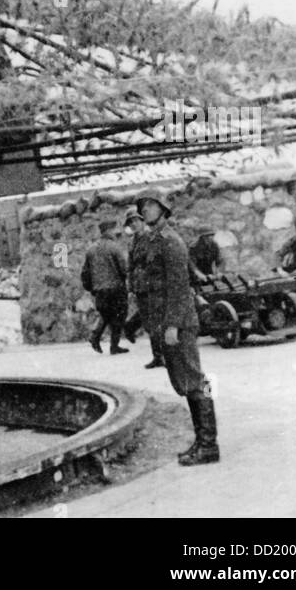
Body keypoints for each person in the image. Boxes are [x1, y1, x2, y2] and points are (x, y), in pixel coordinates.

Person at [137, 190, 220, 465]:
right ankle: (201, 440)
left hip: (178, 323)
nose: (146, 209)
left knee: (195, 380)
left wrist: (172, 324)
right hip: (164, 322)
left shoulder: (170, 241)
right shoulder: (150, 240)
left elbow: (179, 288)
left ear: (163, 209)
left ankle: (209, 444)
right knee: (185, 381)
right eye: (143, 206)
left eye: (151, 205)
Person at [123, 209, 164, 368]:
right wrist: (131, 285)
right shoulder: (132, 242)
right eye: (130, 223)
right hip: (140, 286)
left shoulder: (150, 238)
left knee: (155, 322)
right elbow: (130, 266)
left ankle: (161, 356)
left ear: (142, 221)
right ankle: (158, 356)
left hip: (152, 284)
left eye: (136, 221)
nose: (133, 224)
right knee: (149, 322)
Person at [81, 219, 129, 355]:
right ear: (108, 231)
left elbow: (85, 272)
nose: (116, 232)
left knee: (106, 314)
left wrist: (91, 288)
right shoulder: (114, 247)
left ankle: (95, 336)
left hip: (100, 290)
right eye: (114, 230)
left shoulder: (91, 248)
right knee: (119, 316)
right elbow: (124, 268)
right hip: (115, 288)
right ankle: (113, 346)